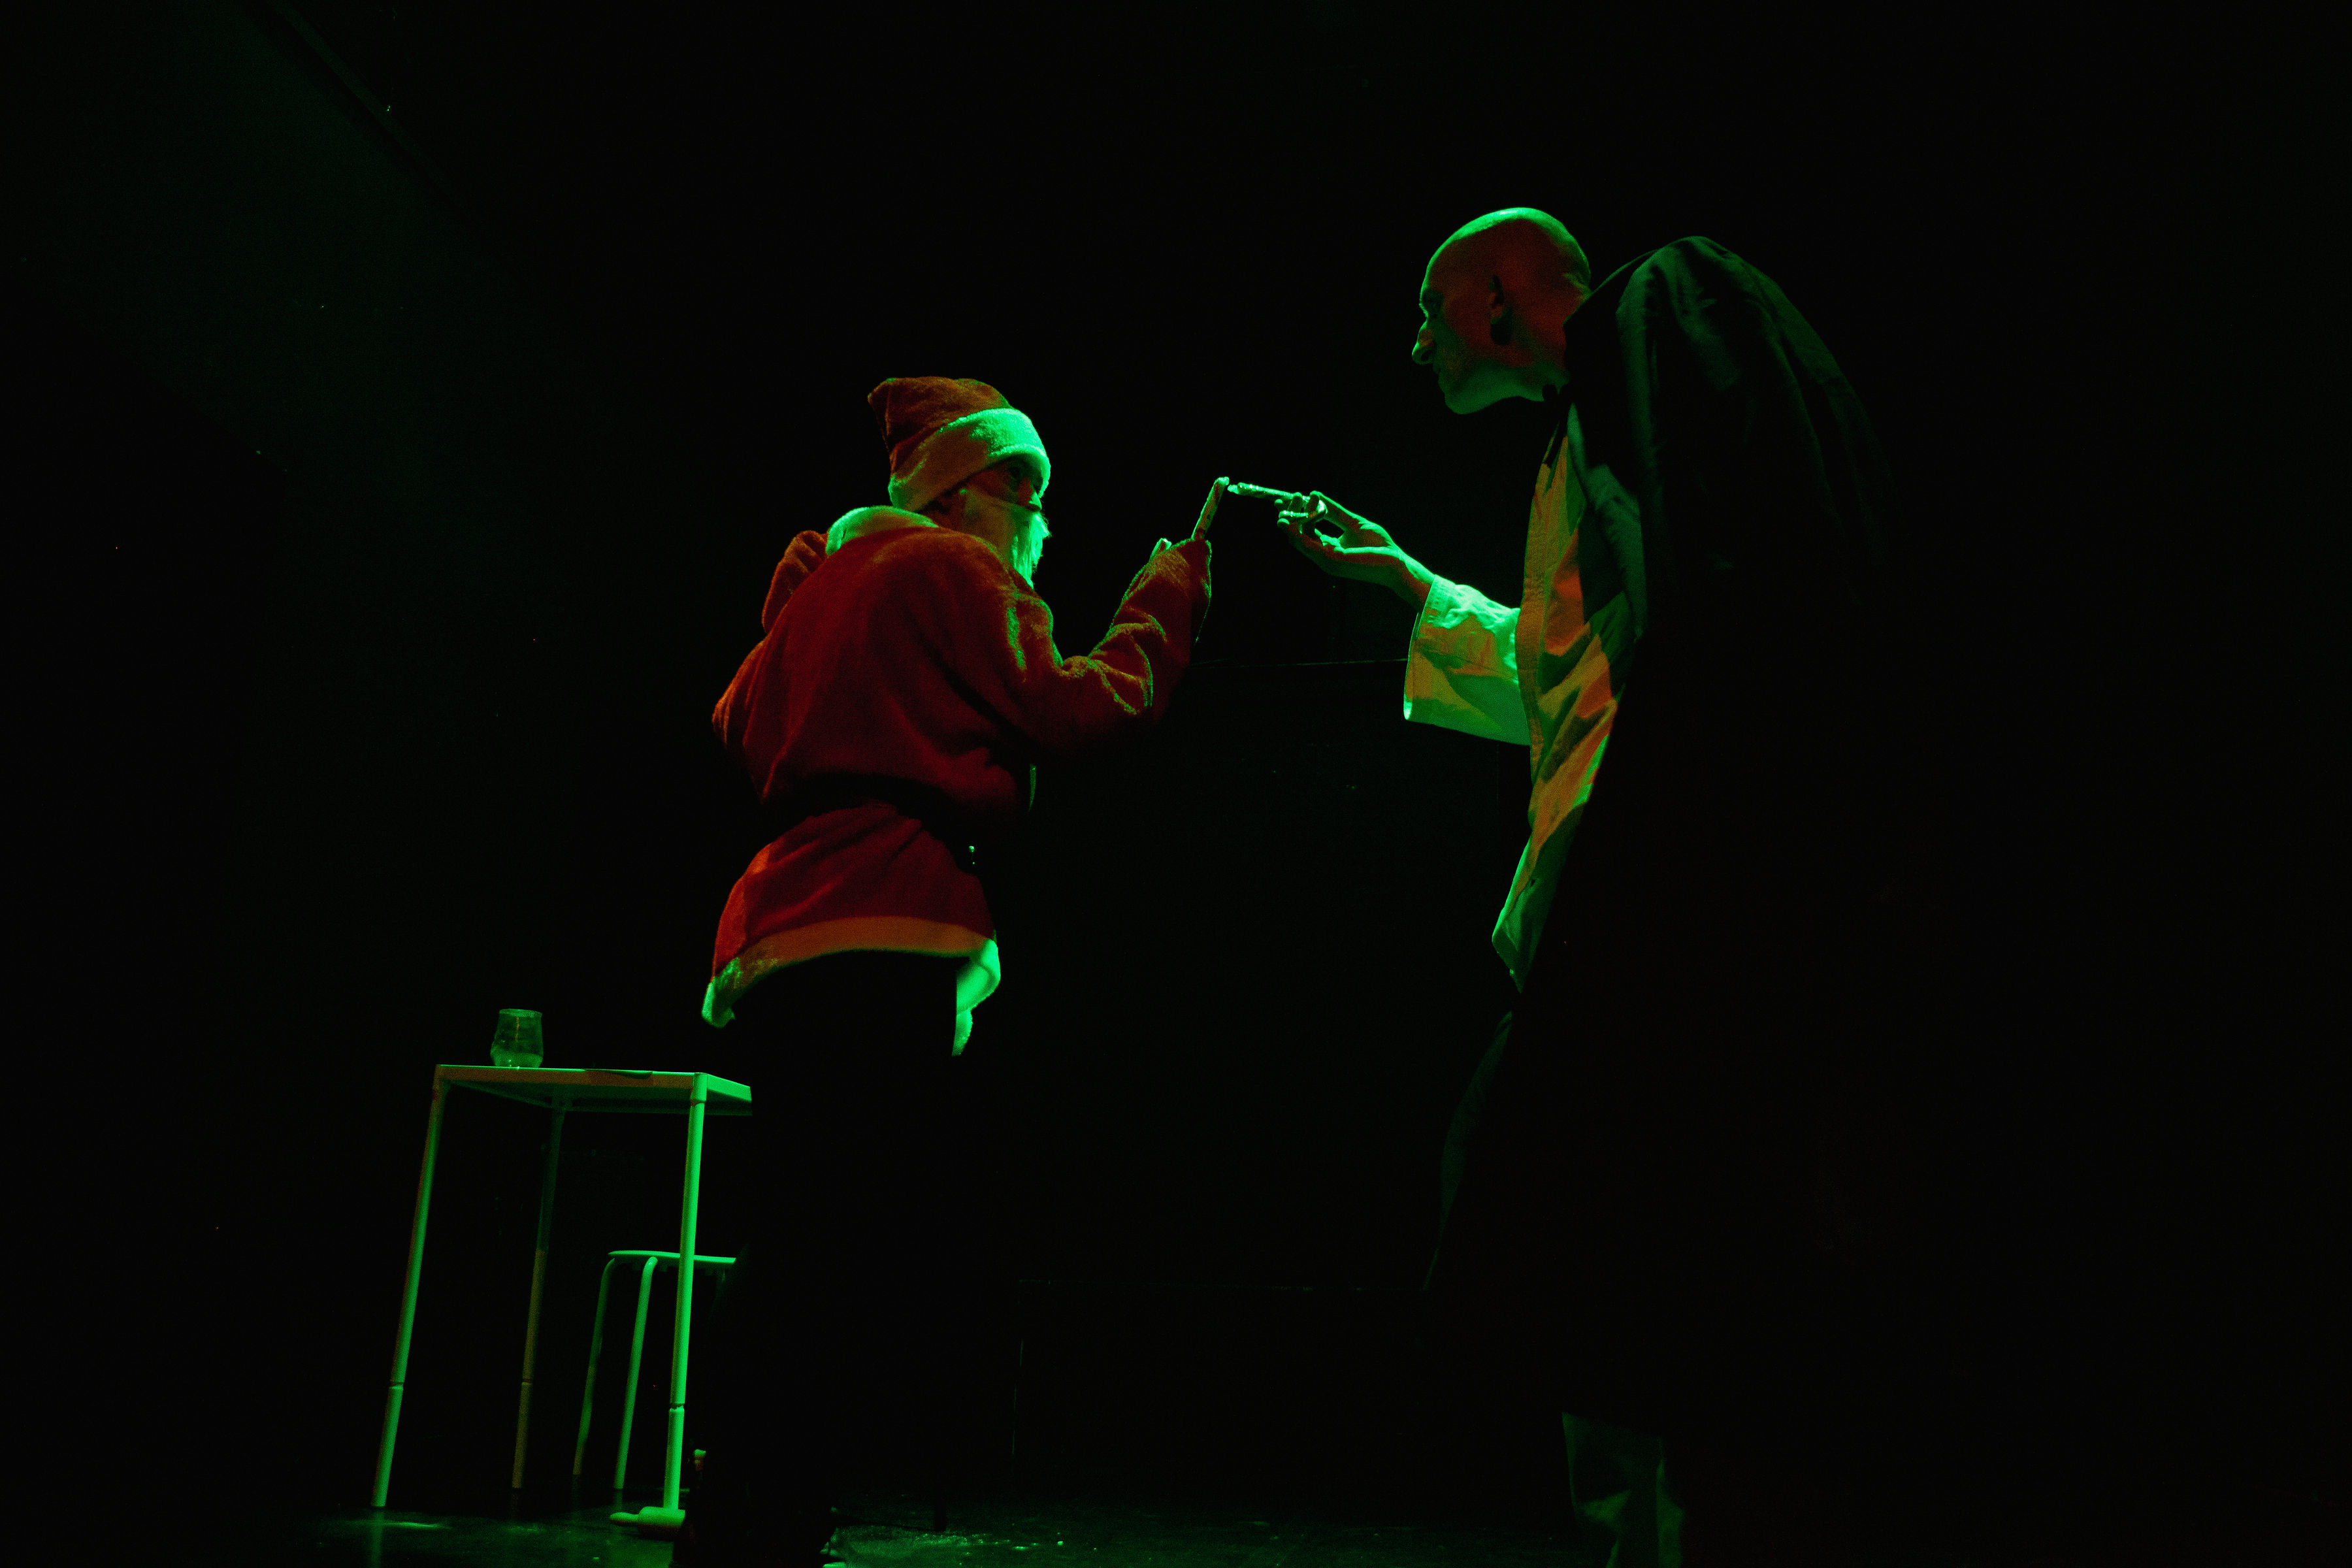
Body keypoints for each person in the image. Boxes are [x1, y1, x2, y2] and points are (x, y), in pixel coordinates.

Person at [1275, 211, 1949, 1566]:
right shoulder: (1581, 443)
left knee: (1629, 1266)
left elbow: (1702, 630)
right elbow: (1575, 677)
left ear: (1498, 297)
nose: (1415, 344)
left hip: (1654, 913)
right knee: (1601, 1281)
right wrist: (1406, 584)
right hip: (1608, 901)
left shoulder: (1656, 344)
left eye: (1431, 307)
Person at [678, 375, 1223, 1567]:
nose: (1040, 521)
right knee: (844, 1249)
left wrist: (785, 616)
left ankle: (739, 1516)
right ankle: (772, 1524)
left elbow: (737, 725)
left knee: (794, 1234)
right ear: (959, 490)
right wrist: (1167, 594)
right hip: (888, 926)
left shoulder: (836, 578)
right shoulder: (952, 567)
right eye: (1023, 491)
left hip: (778, 934)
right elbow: (1082, 710)